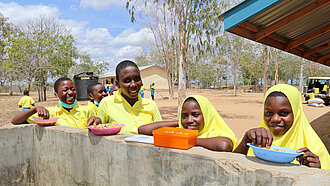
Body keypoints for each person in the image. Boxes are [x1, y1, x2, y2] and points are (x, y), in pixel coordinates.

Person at [234, 84, 330, 169]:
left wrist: (316, 170)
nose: (275, 119)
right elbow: (232, 165)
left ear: (297, 114)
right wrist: (246, 139)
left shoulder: (314, 149)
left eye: (283, 113)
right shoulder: (255, 140)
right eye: (269, 113)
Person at [138, 95, 238, 152]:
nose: (189, 120)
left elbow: (224, 146)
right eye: (185, 116)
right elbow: (143, 130)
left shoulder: (216, 134)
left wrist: (188, 141)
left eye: (195, 115)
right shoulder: (182, 131)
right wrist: (179, 123)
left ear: (207, 115)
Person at [87, 60, 163, 134]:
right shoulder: (107, 103)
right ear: (117, 84)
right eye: (127, 80)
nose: (133, 84)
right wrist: (96, 121)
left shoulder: (151, 104)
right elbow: (100, 126)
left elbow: (160, 130)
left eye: (137, 79)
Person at [11, 77, 89, 129]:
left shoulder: (87, 110)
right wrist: (34, 109)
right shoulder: (49, 113)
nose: (71, 93)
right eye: (65, 90)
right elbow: (15, 121)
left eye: (73, 89)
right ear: (56, 95)